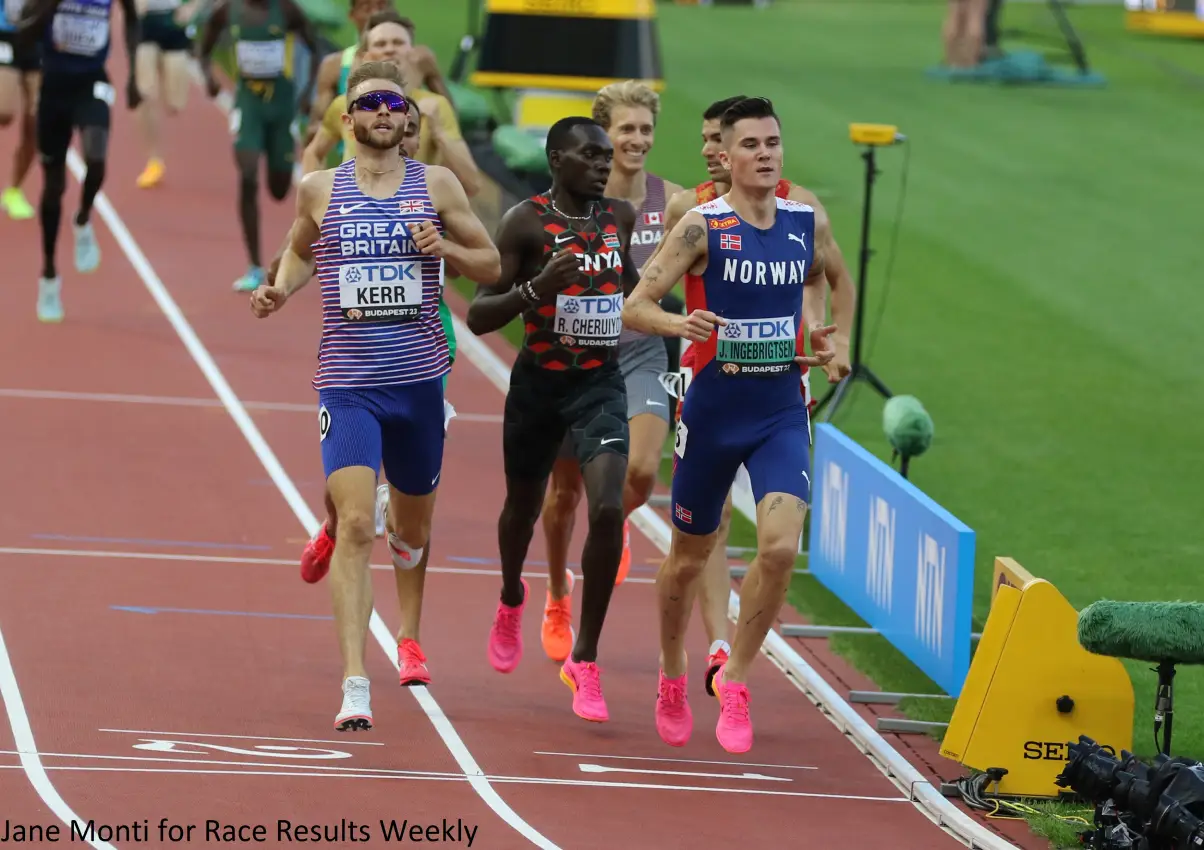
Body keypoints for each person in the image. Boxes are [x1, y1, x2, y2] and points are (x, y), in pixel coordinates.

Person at [249, 60, 500, 729]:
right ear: (348, 117)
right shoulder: (318, 189)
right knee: (360, 524)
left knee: (411, 530)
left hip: (418, 383)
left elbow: (492, 265)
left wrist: (441, 245)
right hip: (348, 384)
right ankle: (354, 680)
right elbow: (302, 250)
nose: (383, 112)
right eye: (369, 104)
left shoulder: (435, 184)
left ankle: (410, 634)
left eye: (394, 103)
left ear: (406, 116)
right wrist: (280, 286)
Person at [622, 96, 836, 754]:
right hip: (712, 409)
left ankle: (737, 677)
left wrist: (831, 336)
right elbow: (636, 306)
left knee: (777, 549)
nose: (766, 154)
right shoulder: (701, 227)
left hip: (777, 411)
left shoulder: (804, 221)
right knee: (686, 562)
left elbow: (829, 278)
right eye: (752, 145)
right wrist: (680, 325)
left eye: (774, 142)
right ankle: (670, 672)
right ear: (728, 157)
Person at [465, 115, 638, 723]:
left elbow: (636, 292)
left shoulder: (620, 219)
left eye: (607, 155)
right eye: (590, 154)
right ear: (556, 159)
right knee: (523, 508)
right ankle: (513, 594)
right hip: (538, 387)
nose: (603, 164)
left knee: (609, 507)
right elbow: (479, 316)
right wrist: (538, 289)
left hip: (599, 386)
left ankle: (584, 658)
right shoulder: (525, 222)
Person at [536, 80, 682, 664]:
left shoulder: (672, 201)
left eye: (646, 129)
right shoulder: (570, 200)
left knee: (642, 473)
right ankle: (555, 594)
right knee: (563, 495)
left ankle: (614, 519)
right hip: (576, 360)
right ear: (602, 135)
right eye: (626, 129)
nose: (637, 140)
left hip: (643, 353)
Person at [16, 0, 140, 323]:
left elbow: (131, 17)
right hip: (54, 90)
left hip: (92, 84)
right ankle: (49, 276)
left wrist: (135, 72)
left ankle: (83, 218)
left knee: (96, 161)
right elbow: (22, 39)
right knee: (53, 185)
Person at [197, 0, 320, 292]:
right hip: (248, 103)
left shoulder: (286, 10)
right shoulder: (228, 11)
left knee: (279, 189)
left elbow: (314, 47)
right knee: (248, 174)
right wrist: (209, 77)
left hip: (281, 104)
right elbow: (204, 47)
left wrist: (307, 93)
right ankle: (254, 266)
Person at [304, 12, 478, 195]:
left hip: (411, 214)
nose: (390, 49)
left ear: (412, 52)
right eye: (380, 44)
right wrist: (316, 199)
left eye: (398, 43)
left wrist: (440, 132)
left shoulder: (436, 106)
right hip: (356, 213)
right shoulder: (344, 104)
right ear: (365, 55)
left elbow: (472, 184)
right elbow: (313, 152)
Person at [303, 1, 450, 153]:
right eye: (367, 8)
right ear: (352, 16)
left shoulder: (420, 58)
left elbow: (449, 115)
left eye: (381, 6)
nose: (375, 13)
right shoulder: (335, 65)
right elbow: (316, 126)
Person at [130, 0, 197, 188]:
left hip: (173, 22)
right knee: (145, 93)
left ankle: (166, 84)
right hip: (145, 24)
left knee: (175, 104)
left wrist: (193, 7)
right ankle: (154, 161)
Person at [0, 0, 40, 221]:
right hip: (5, 32)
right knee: (3, 112)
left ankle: (13, 191)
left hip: (39, 37)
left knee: (37, 117)